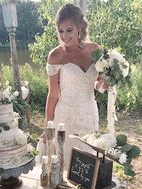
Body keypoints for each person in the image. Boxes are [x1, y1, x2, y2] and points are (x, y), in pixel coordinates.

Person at [38, 3, 106, 167]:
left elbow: (97, 83)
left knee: (88, 163)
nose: (64, 36)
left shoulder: (94, 50)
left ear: (80, 28)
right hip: (65, 117)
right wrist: (48, 126)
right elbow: (53, 94)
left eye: (69, 30)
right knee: (65, 162)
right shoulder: (55, 56)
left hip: (89, 113)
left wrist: (105, 85)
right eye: (60, 31)